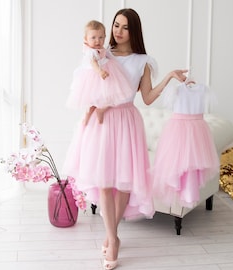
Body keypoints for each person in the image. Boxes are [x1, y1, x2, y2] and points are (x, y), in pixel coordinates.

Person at [62, 8, 187, 270]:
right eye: (116, 25)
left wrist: (168, 77)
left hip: (127, 122)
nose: (118, 32)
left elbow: (148, 98)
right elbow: (88, 85)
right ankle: (114, 237)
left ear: (134, 31)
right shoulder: (101, 54)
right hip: (102, 123)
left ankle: (111, 235)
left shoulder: (142, 61)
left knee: (123, 185)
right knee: (105, 182)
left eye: (125, 27)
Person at [151, 81, 220, 209]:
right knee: (178, 164)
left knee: (192, 166)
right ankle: (184, 191)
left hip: (196, 131)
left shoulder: (203, 89)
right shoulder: (176, 89)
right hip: (179, 130)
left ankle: (189, 192)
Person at [65, 20, 135, 124]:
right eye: (93, 38)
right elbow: (93, 63)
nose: (97, 41)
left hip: (107, 72)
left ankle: (100, 110)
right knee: (93, 101)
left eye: (101, 37)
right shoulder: (91, 52)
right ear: (86, 39)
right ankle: (87, 117)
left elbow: (109, 56)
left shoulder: (102, 49)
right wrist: (100, 71)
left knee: (111, 96)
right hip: (95, 76)